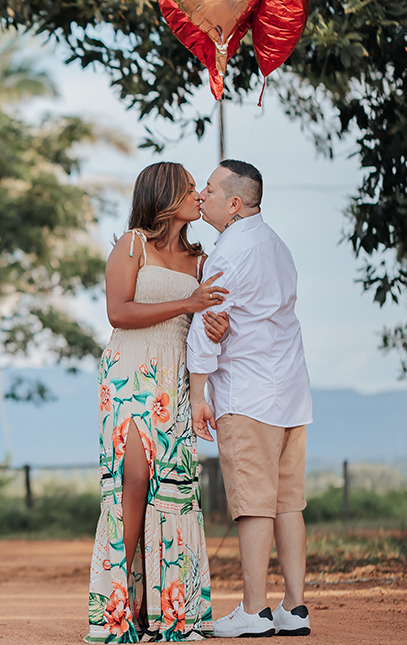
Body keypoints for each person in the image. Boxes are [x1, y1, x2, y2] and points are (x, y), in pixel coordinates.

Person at [87, 162, 230, 643]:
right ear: (166, 197)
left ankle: (165, 615)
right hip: (129, 374)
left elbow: (208, 326)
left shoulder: (201, 258)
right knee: (133, 481)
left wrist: (216, 326)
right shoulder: (130, 245)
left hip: (175, 380)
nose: (198, 194)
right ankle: (116, 609)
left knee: (171, 492)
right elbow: (119, 312)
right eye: (190, 188)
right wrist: (189, 305)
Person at [186, 159, 314, 638]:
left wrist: (199, 394)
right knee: (287, 501)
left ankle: (255, 610)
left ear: (234, 203)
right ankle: (294, 608)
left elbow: (205, 327)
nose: (202, 194)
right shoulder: (277, 247)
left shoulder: (229, 252)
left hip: (249, 393)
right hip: (291, 393)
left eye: (210, 189)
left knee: (254, 504)